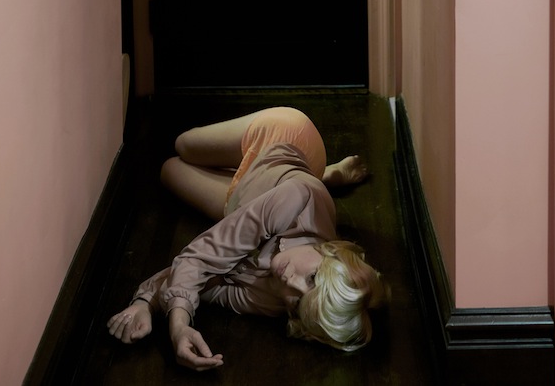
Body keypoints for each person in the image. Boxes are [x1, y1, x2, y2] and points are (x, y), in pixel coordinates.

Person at [107, 106, 387, 372]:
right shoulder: (296, 200)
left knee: (169, 170)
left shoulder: (278, 301)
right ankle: (320, 175)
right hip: (285, 143)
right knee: (183, 146)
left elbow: (206, 280)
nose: (290, 282)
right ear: (329, 251)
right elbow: (202, 256)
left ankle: (316, 178)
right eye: (312, 278)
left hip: (243, 199)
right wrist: (173, 321)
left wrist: (148, 305)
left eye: (299, 302)